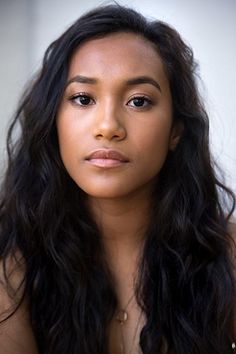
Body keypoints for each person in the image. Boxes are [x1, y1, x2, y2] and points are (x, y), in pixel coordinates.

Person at [0, 3, 235, 354]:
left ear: (176, 130)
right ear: (52, 121)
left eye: (139, 101)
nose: (108, 126)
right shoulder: (11, 269)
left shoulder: (227, 256)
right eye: (82, 98)